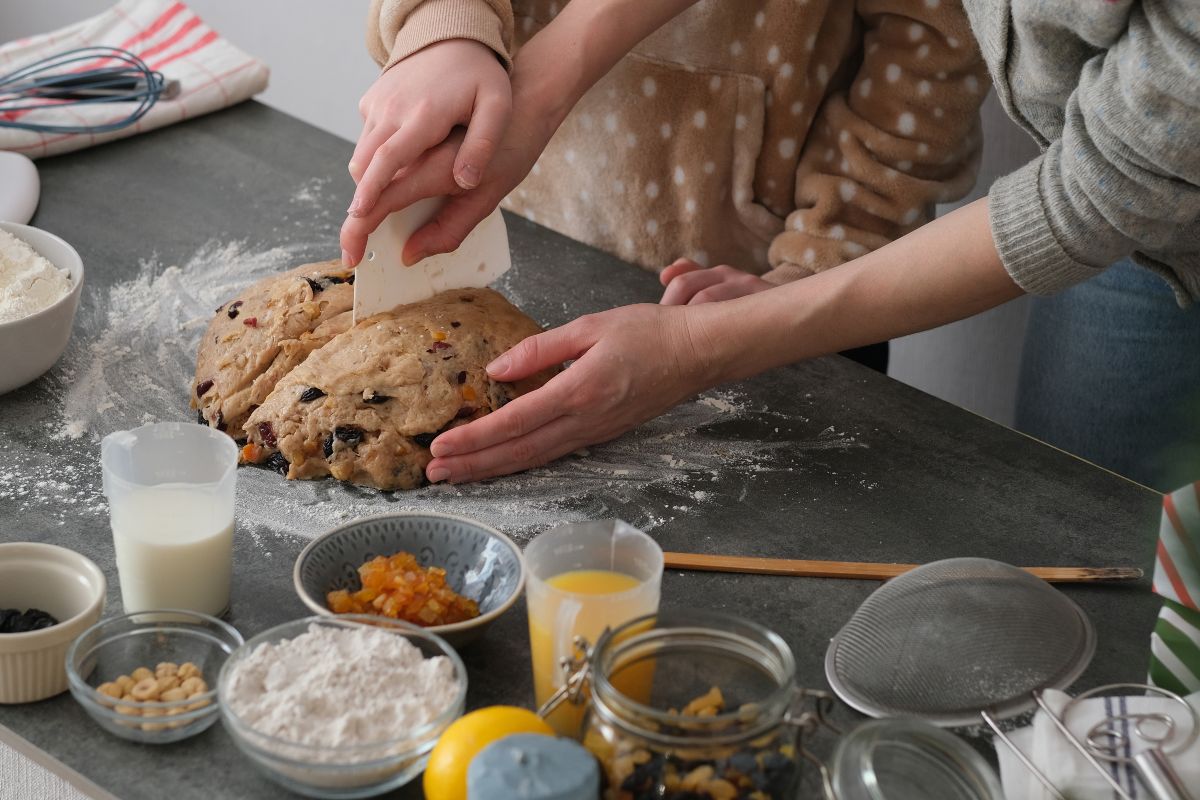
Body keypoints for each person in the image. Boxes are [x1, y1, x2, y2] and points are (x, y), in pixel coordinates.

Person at [344, 0, 1200, 486]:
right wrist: (473, 33)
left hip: (1154, 193)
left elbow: (1104, 188)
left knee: (1104, 514)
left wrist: (758, 312)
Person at [345, 0, 991, 373]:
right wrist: (447, 23)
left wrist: (818, 268)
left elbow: (933, 38)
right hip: (529, 241)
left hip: (787, 298)